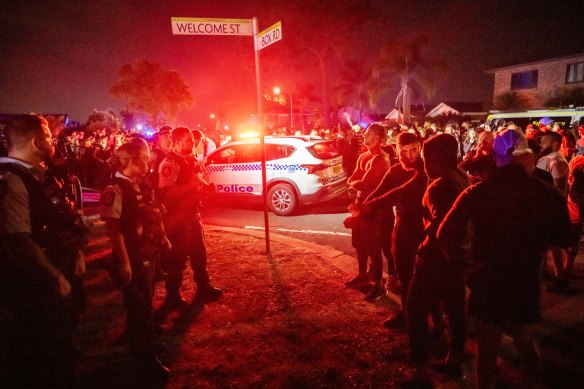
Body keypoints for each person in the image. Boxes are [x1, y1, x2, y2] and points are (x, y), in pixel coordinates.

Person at [437, 129, 571, 389]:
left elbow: (445, 234)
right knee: (525, 343)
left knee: (487, 349)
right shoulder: (546, 193)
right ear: (526, 157)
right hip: (525, 277)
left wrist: (464, 265)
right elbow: (564, 237)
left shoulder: (477, 192)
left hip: (488, 278)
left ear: (496, 157)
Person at [0, 114, 88, 387]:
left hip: (56, 272)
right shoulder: (12, 181)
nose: (53, 142)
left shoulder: (36, 174)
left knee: (59, 341)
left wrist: (76, 251)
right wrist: (54, 276)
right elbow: (19, 239)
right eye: (49, 137)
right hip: (35, 287)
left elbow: (58, 219)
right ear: (37, 142)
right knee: (42, 357)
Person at [398, 134, 470, 387]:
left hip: (434, 260)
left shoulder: (441, 186)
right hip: (456, 259)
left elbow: (441, 224)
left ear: (435, 157)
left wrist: (426, 237)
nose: (423, 162)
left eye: (426, 156)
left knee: (415, 311)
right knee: (455, 309)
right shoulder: (461, 176)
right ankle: (453, 359)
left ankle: (420, 371)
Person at [100, 138, 171, 380]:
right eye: (144, 156)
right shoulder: (115, 189)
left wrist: (162, 237)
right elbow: (114, 229)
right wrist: (124, 262)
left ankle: (143, 340)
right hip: (132, 254)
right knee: (138, 306)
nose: (149, 160)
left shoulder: (142, 183)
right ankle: (145, 360)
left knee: (146, 299)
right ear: (131, 160)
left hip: (147, 251)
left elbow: (153, 211)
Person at [361, 132, 428, 329]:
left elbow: (399, 193)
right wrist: (360, 208)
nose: (409, 155)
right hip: (402, 227)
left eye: (414, 150)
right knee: (404, 273)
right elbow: (379, 191)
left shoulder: (426, 171)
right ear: (397, 151)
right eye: (404, 151)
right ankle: (406, 313)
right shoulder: (395, 171)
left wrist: (368, 206)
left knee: (426, 277)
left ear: (420, 149)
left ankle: (434, 323)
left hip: (425, 229)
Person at [158, 127, 222, 307]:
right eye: (187, 140)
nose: (192, 143)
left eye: (192, 140)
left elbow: (195, 180)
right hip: (178, 219)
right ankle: (172, 297)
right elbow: (166, 195)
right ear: (176, 142)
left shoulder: (190, 159)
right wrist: (191, 187)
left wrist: (205, 188)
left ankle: (203, 287)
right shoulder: (169, 163)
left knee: (199, 254)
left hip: (193, 215)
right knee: (177, 260)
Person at [344, 123, 391, 301]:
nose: (366, 136)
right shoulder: (364, 156)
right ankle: (363, 275)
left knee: (373, 246)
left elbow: (361, 183)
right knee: (359, 243)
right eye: (367, 132)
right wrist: (355, 182)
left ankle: (378, 285)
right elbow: (352, 178)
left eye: (371, 134)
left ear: (379, 139)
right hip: (359, 205)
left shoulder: (381, 159)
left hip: (373, 208)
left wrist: (355, 182)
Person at [537, 131, 571, 292]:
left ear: (555, 144)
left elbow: (559, 188)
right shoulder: (546, 159)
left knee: (552, 243)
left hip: (549, 208)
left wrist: (551, 206)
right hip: (542, 206)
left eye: (545, 141)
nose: (541, 143)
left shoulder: (556, 161)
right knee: (546, 242)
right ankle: (547, 270)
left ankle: (560, 277)